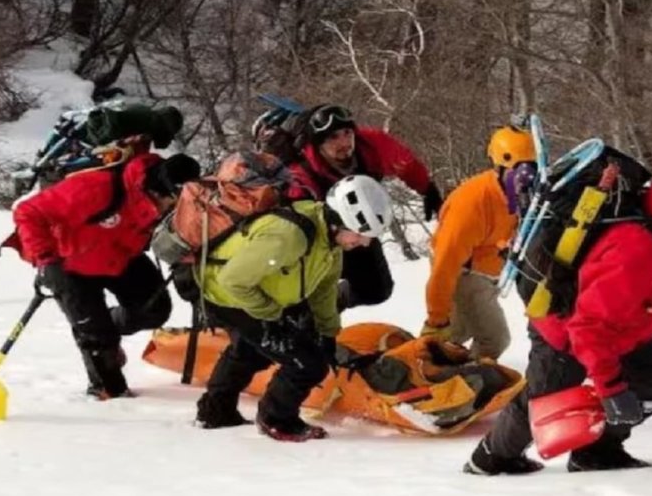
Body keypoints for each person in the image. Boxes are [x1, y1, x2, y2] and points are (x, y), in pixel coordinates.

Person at [463, 145, 652, 475]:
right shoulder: (639, 249)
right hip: (565, 327)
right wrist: (610, 390)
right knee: (546, 396)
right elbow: (587, 328)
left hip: (624, 326)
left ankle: (597, 451)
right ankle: (490, 458)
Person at [193, 174, 394, 441]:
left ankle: (215, 411)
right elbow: (233, 281)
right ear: (337, 222)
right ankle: (276, 419)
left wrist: (328, 334)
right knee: (306, 363)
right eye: (360, 234)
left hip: (257, 294)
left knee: (253, 351)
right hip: (224, 293)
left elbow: (324, 290)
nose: (365, 244)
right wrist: (270, 318)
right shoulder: (289, 237)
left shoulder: (329, 242)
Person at [7, 152, 201, 399]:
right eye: (173, 201)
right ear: (158, 191)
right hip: (68, 262)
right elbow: (28, 211)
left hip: (120, 256)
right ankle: (107, 390)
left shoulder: (173, 199)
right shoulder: (97, 188)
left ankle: (104, 325)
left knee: (154, 309)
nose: (176, 207)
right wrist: (44, 258)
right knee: (97, 338)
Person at [287, 104, 442, 309]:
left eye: (347, 133)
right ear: (318, 145)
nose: (344, 142)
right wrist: (332, 235)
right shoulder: (300, 173)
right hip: (320, 238)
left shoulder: (371, 146)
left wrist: (427, 189)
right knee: (307, 299)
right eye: (333, 137)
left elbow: (405, 163)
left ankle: (336, 301)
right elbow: (293, 218)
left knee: (377, 290)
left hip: (361, 228)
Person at [421, 126, 537, 360]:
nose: (526, 179)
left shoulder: (515, 195)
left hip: (485, 273)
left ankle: (429, 365)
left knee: (458, 331)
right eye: (520, 171)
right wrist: (436, 317)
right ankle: (469, 384)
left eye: (532, 170)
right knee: (494, 338)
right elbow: (445, 264)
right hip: (465, 274)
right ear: (501, 166)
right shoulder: (472, 204)